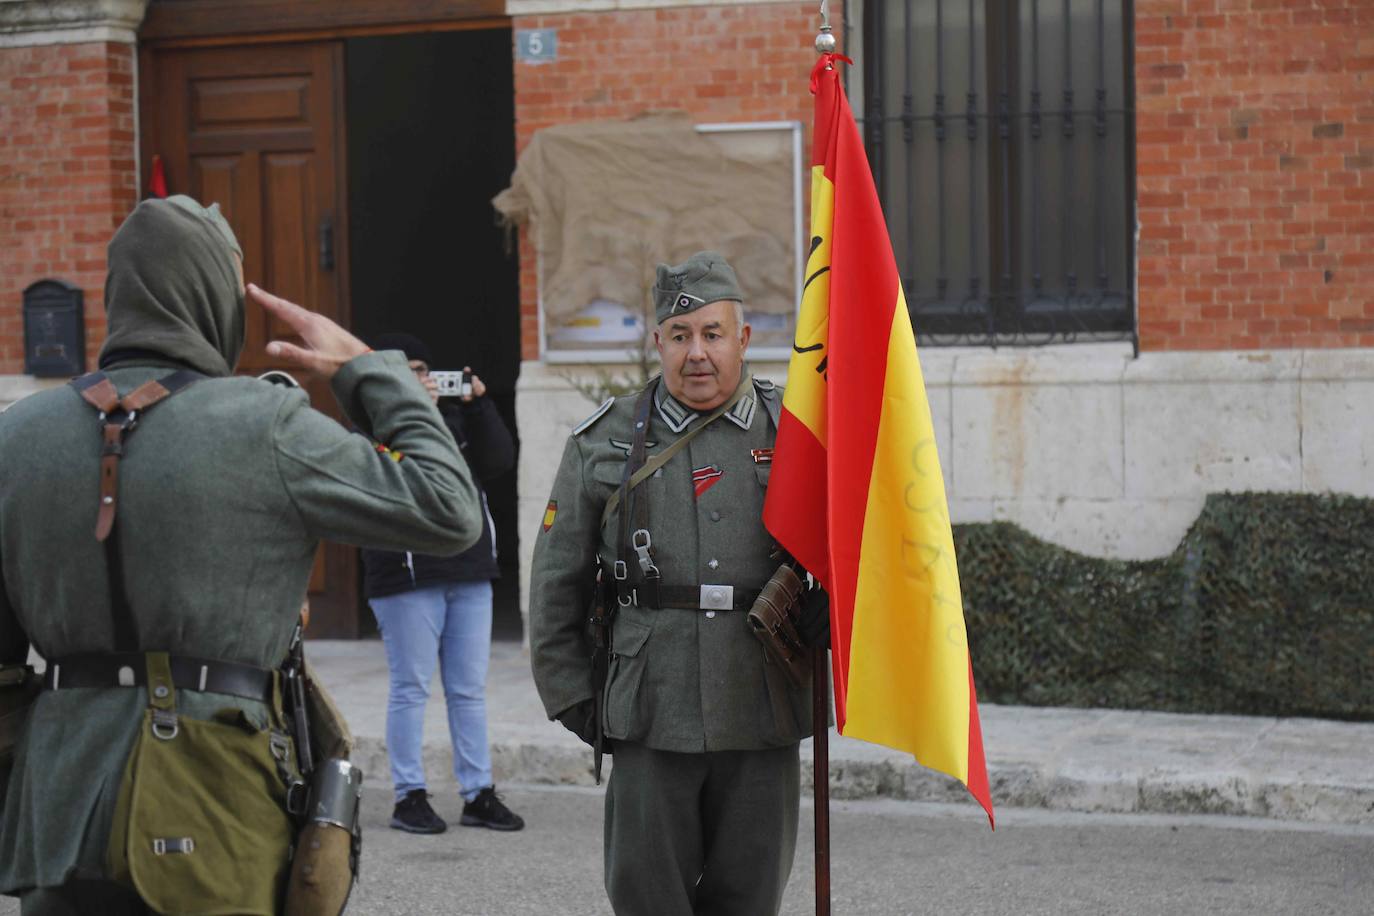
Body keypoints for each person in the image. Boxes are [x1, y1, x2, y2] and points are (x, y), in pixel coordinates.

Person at [0, 196, 482, 914]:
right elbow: (450, 508)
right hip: (214, 807)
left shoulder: (18, 436)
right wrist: (366, 370)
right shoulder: (265, 424)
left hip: (58, 811)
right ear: (212, 296)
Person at [529, 251, 828, 915]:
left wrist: (836, 602)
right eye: (680, 334)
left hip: (762, 703)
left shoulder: (797, 434)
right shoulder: (603, 441)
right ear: (656, 341)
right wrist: (581, 702)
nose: (698, 353)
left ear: (743, 339)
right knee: (645, 896)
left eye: (713, 334)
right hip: (648, 707)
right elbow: (556, 582)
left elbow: (855, 545)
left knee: (749, 897)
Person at [361, 332, 524, 834]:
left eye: (424, 370)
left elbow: (499, 461)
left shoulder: (454, 421)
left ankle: (477, 792)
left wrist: (478, 407)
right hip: (407, 575)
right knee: (411, 688)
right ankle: (408, 795)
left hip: (469, 570)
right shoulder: (371, 427)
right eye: (407, 370)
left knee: (468, 690)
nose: (421, 379)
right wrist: (413, 415)